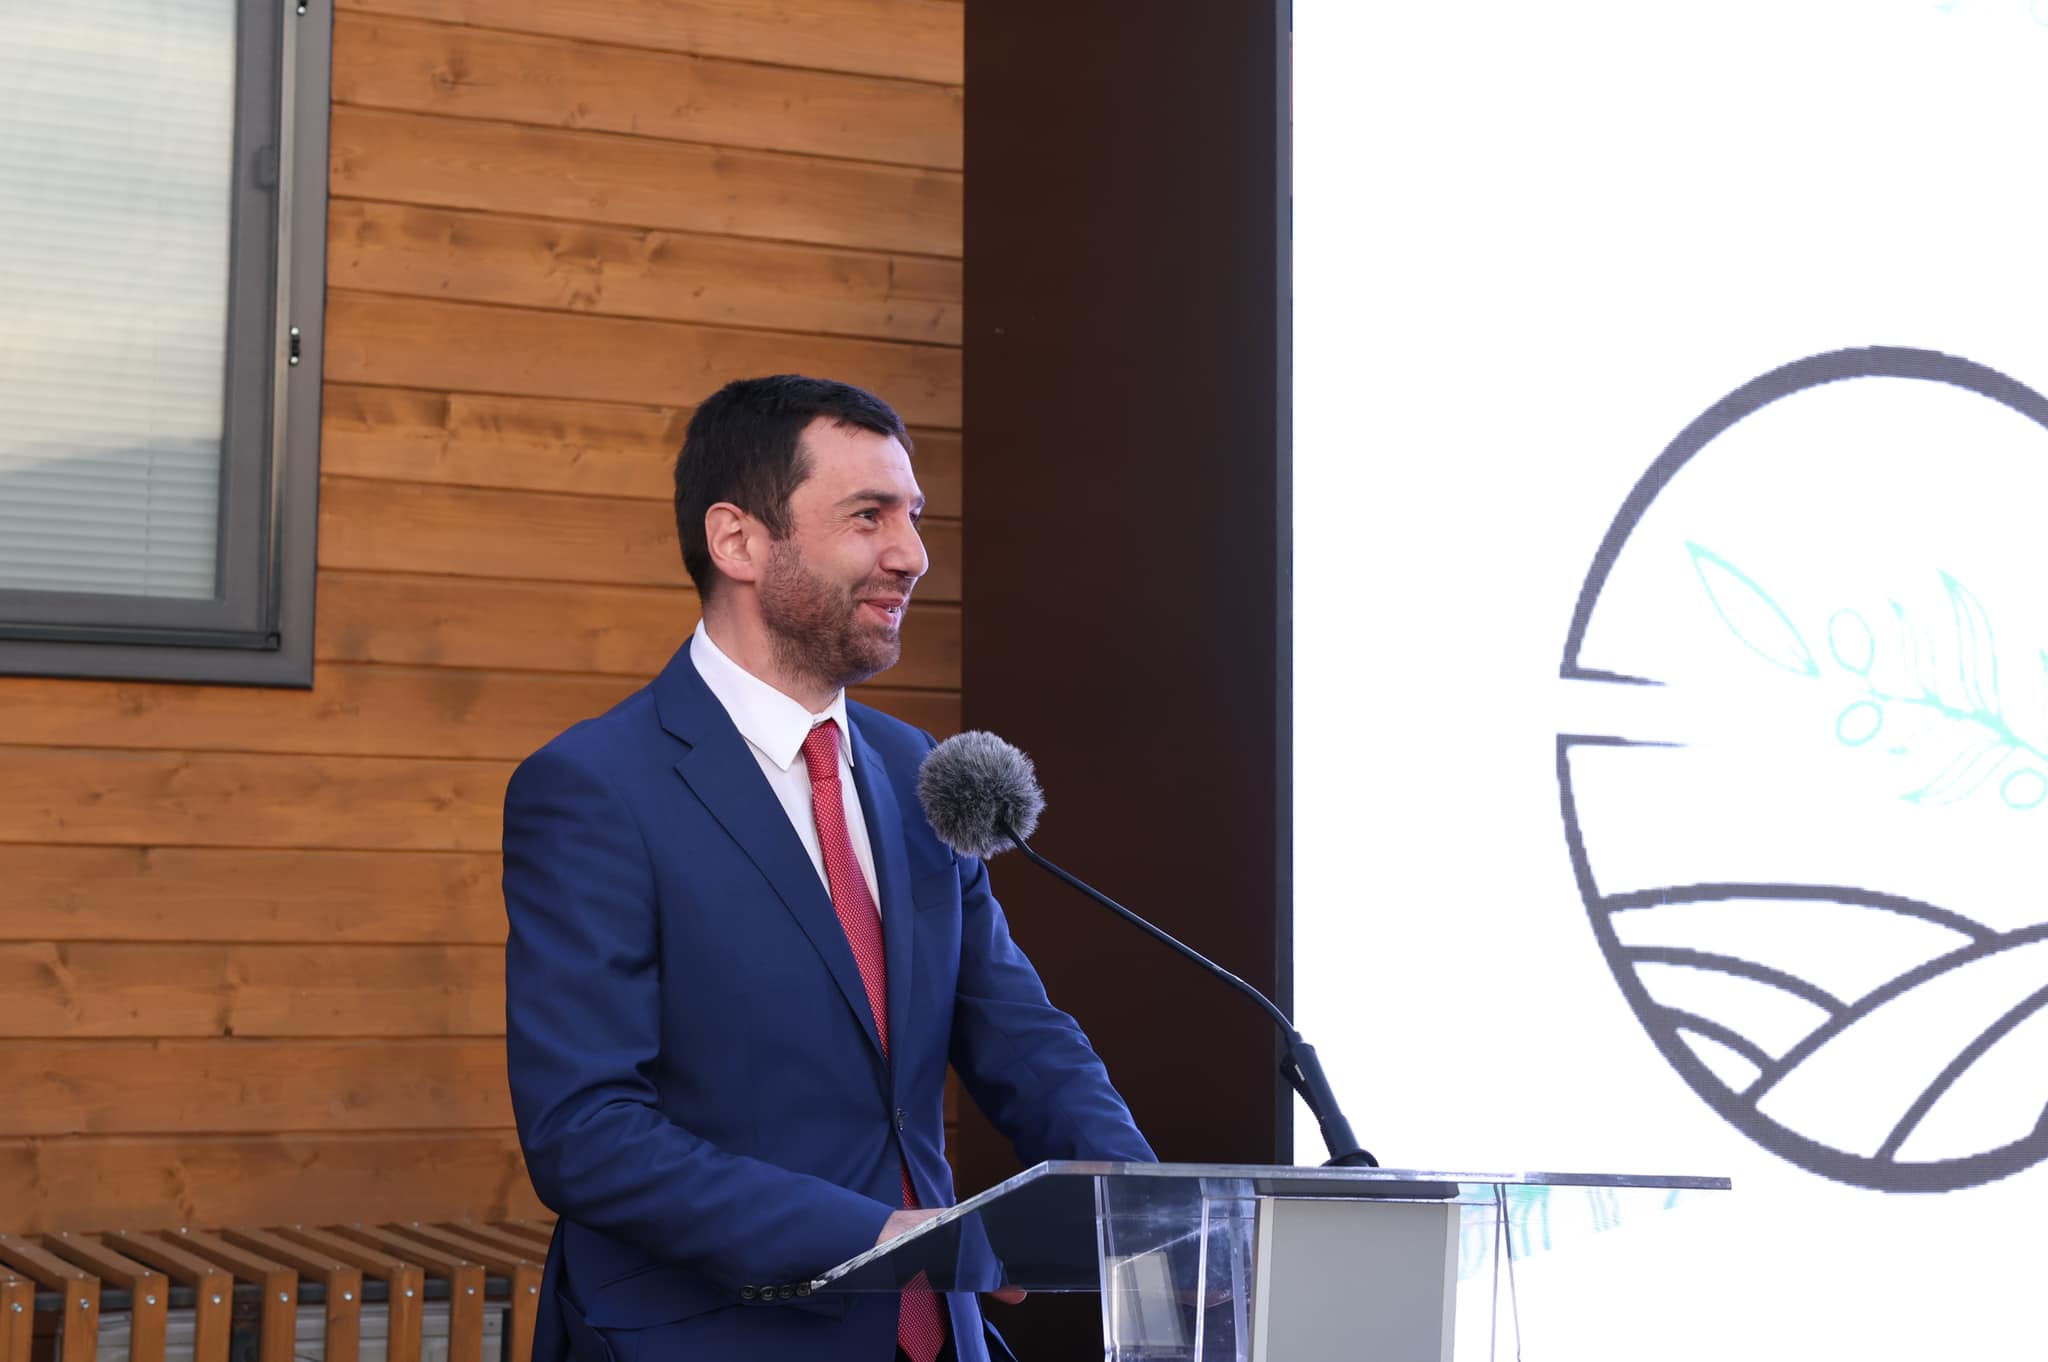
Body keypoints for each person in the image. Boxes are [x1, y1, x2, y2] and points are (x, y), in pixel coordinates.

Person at [503, 374, 1154, 1362]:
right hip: (712, 1341)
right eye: (867, 516)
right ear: (738, 542)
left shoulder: (919, 770)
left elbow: (1020, 1036)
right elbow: (585, 1132)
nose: (912, 553)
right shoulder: (595, 788)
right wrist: (874, 1238)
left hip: (938, 1337)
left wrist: (1141, 1205)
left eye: (912, 517)